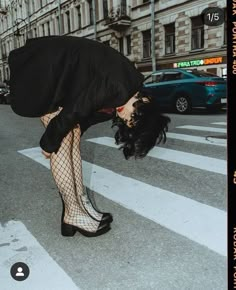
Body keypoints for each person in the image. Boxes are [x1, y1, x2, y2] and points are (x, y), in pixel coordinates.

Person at [8, 36, 170, 238]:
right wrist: (49, 143)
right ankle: (72, 213)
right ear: (144, 101)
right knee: (62, 138)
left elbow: (84, 116)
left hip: (57, 73)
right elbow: (76, 109)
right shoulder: (118, 86)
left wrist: (73, 130)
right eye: (131, 119)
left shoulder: (129, 87)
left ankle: (80, 203)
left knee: (71, 132)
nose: (123, 117)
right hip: (42, 70)